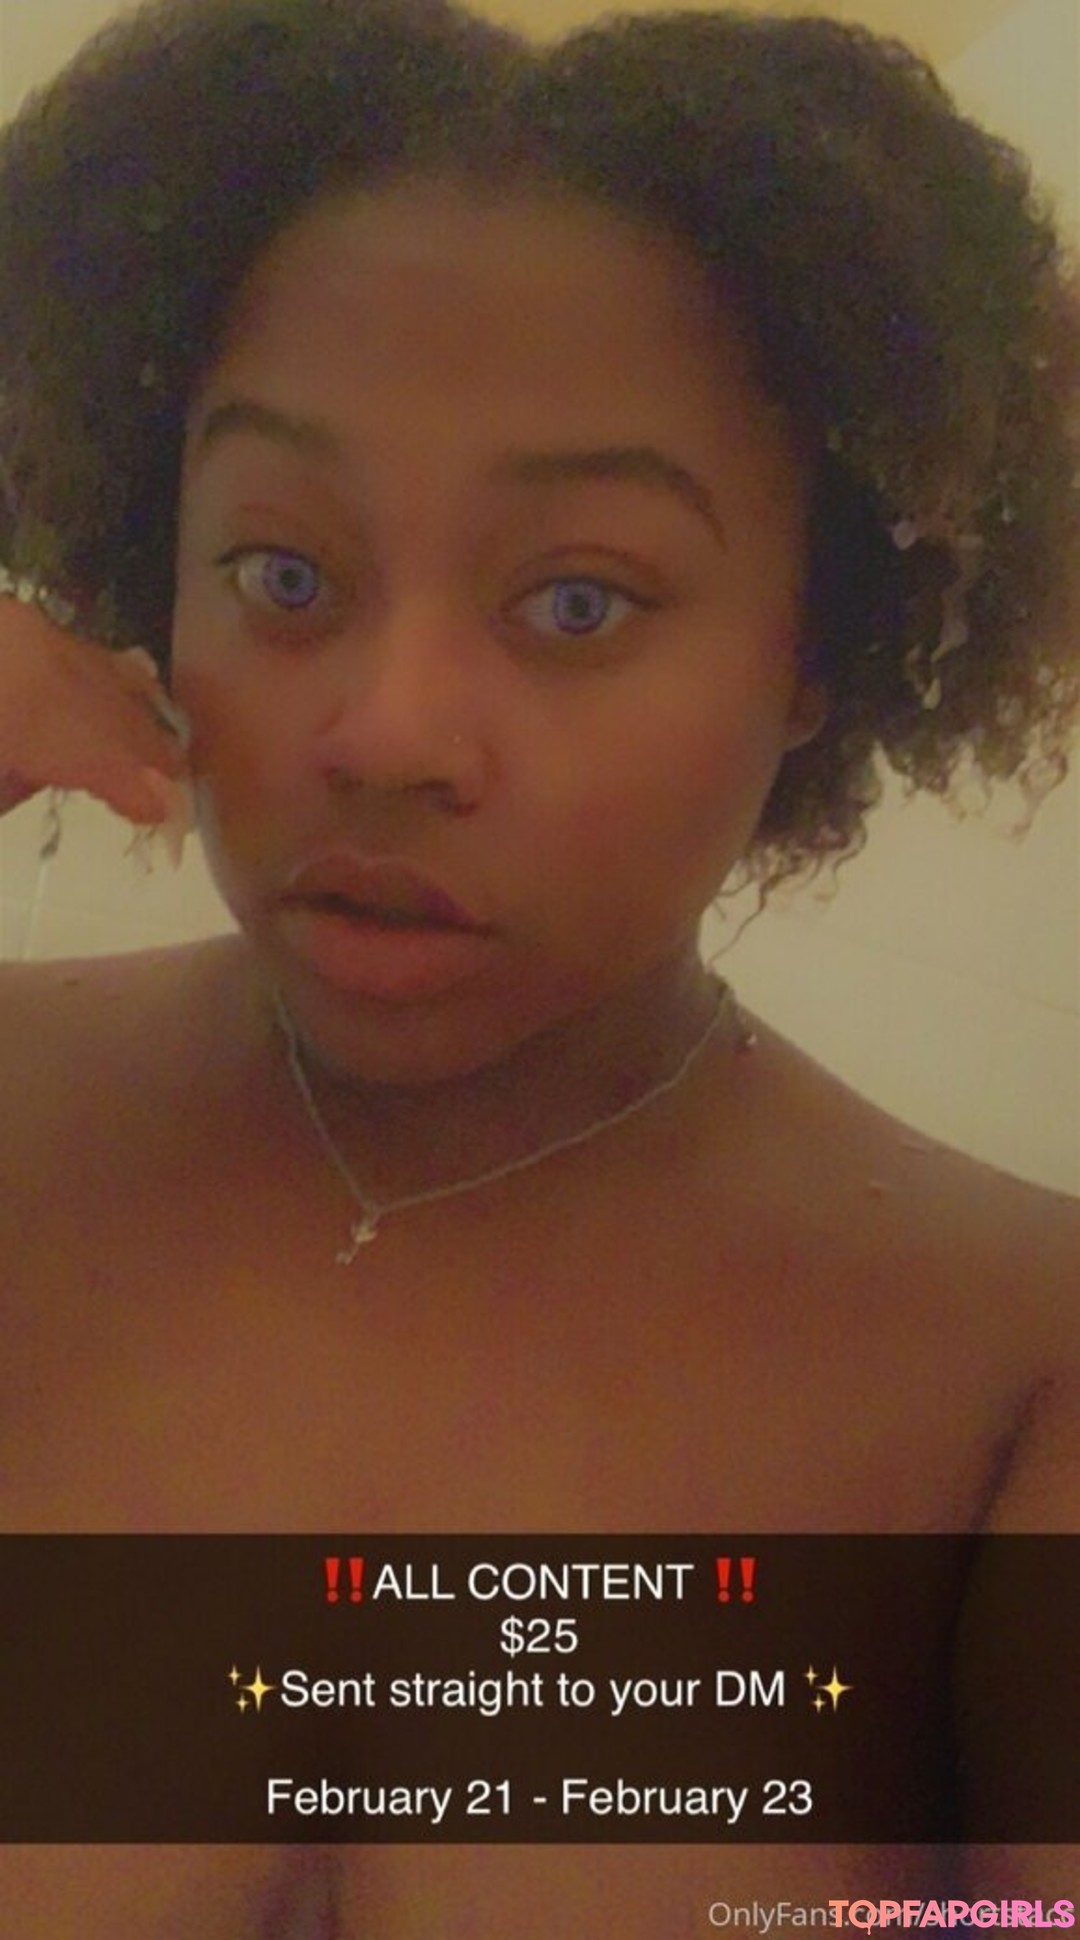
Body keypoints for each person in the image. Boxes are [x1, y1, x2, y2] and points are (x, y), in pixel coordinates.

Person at [0, 0, 1078, 1931]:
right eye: (284, 573)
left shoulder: (1022, 1390)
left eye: (578, 598)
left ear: (818, 650)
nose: (389, 731)